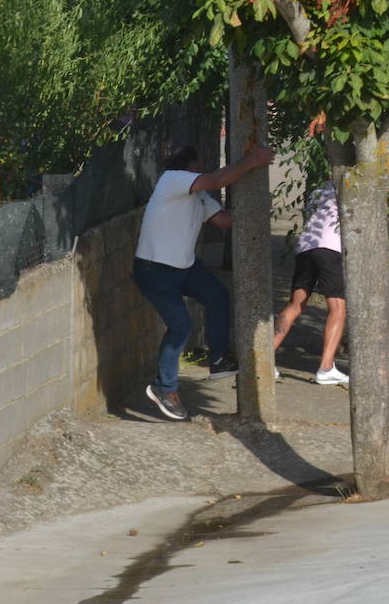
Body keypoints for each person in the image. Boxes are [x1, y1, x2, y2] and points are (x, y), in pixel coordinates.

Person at [133, 143, 274, 421]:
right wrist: (253, 161)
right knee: (180, 327)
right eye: (200, 165)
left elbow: (224, 221)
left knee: (217, 296)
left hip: (184, 266)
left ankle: (219, 358)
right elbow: (218, 179)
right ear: (192, 166)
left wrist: (258, 207)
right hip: (155, 269)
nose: (203, 170)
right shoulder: (173, 179)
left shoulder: (199, 196)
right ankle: (164, 388)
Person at [273, 181, 349, 385]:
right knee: (338, 308)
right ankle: (326, 367)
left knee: (295, 305)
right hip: (330, 248)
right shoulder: (350, 186)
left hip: (306, 247)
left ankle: (264, 358)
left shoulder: (318, 190)